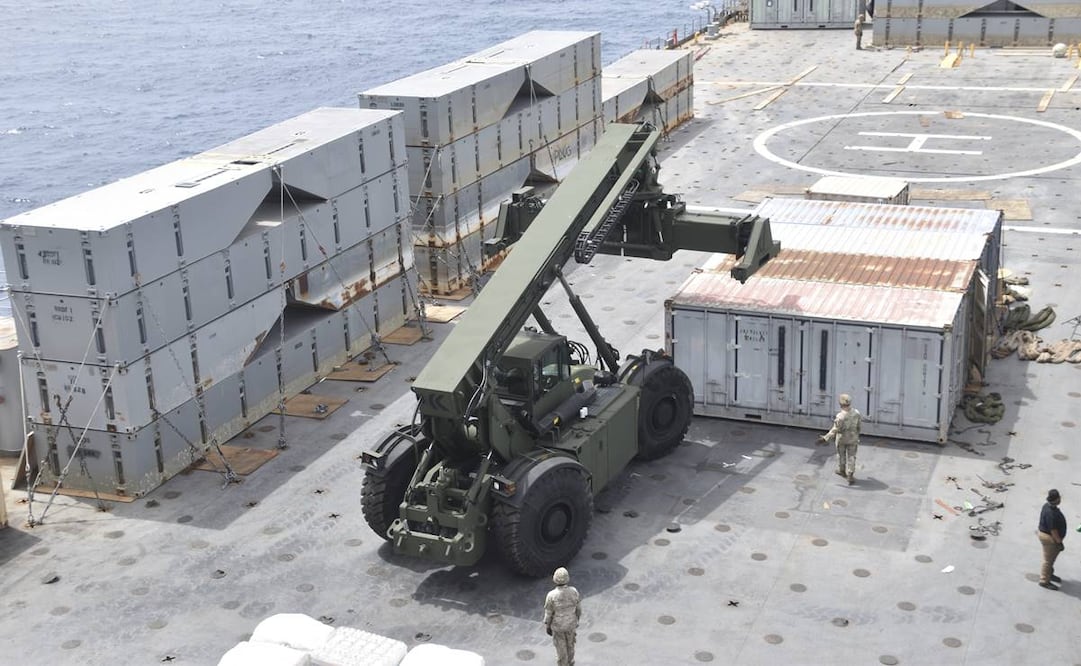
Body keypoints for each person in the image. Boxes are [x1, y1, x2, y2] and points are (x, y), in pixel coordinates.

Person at [818, 393, 862, 485]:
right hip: (853, 438)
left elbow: (835, 429)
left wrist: (825, 438)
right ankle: (850, 475)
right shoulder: (857, 413)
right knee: (852, 456)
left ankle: (842, 471)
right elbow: (859, 426)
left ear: (841, 404)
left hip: (842, 439)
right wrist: (857, 435)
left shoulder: (840, 416)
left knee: (841, 455)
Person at [544, 567, 581, 666]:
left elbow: (548, 614)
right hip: (570, 625)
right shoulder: (574, 591)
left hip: (558, 627)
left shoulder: (551, 595)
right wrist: (577, 620)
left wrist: (548, 626)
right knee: (571, 645)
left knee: (561, 649)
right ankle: (571, 662)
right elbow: (578, 609)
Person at [1037, 488, 1066, 590]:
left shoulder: (1048, 506)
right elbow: (1053, 530)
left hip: (1047, 536)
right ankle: (1044, 581)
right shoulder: (1051, 513)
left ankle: (1050, 574)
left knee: (1051, 558)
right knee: (1048, 560)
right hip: (1049, 538)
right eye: (1059, 497)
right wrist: (1059, 542)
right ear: (1056, 499)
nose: (1060, 499)